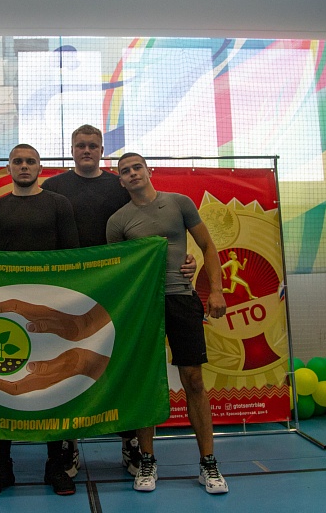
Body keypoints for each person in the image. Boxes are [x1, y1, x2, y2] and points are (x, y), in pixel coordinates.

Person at [41, 124, 196, 477]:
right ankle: (67, 443)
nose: (86, 150)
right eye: (80, 145)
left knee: (122, 364)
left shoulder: (120, 185)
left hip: (121, 291)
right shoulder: (53, 187)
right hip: (68, 292)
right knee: (69, 365)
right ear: (71, 149)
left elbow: (148, 226)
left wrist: (184, 258)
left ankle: (130, 441)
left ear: (101, 150)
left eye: (93, 145)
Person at [106, 152, 229, 495]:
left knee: (194, 380)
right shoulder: (117, 221)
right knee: (147, 383)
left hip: (181, 299)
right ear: (121, 181)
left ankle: (208, 463)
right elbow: (117, 270)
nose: (132, 173)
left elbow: (207, 246)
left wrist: (215, 290)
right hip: (143, 307)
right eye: (125, 171)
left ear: (148, 171)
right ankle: (146, 460)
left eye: (137, 167)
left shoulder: (179, 203)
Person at [0, 144, 80, 497]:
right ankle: (2, 467)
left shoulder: (59, 204)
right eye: (17, 161)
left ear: (40, 167)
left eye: (30, 161)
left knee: (51, 380)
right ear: (8, 168)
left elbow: (73, 257)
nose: (24, 166)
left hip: (50, 307)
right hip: (8, 310)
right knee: (3, 380)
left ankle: (56, 465)